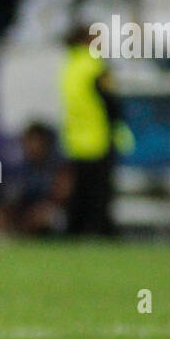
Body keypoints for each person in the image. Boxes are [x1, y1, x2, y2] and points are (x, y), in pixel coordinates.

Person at [60, 30, 130, 236]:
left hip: (76, 139)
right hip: (97, 138)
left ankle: (75, 232)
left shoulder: (70, 66)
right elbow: (111, 102)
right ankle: (101, 231)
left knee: (80, 191)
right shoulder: (95, 66)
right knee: (100, 193)